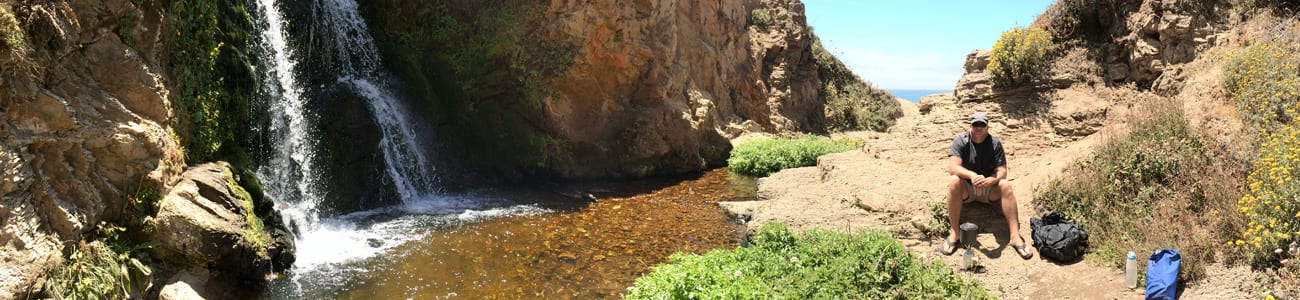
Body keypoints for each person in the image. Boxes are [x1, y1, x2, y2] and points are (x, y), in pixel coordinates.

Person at [938, 112, 1033, 259]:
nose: (978, 128)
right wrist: (972, 176)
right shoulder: (960, 141)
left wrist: (990, 180)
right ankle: (955, 233)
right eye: (976, 124)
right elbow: (953, 167)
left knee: (1005, 184)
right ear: (971, 126)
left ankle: (1015, 236)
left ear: (987, 126)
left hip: (988, 191)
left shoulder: (995, 143)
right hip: (967, 190)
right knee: (954, 180)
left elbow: (1002, 171)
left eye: (982, 124)